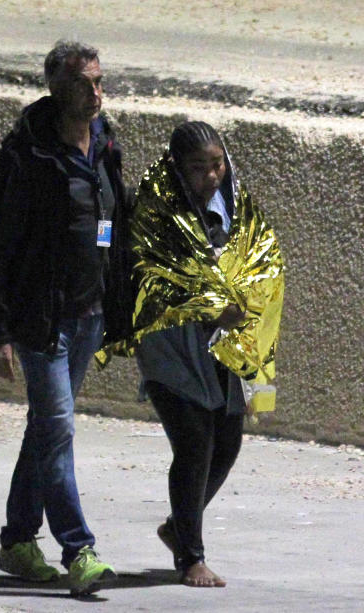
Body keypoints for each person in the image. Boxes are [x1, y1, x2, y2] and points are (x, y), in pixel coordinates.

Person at [0, 40, 131, 596]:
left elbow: (115, 224)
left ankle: (17, 542)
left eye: (99, 81)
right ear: (56, 87)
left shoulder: (105, 144)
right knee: (58, 430)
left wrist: (121, 304)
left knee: (46, 429)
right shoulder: (26, 157)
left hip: (90, 314)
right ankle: (79, 550)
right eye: (84, 83)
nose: (95, 91)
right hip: (41, 321)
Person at [127, 121, 284, 587]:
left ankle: (178, 527)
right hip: (171, 347)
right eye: (199, 169)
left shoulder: (234, 203)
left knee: (228, 443)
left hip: (224, 344)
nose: (211, 176)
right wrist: (212, 306)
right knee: (195, 444)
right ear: (178, 169)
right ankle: (190, 557)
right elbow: (148, 273)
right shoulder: (155, 210)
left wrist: (246, 298)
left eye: (217, 164)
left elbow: (261, 257)